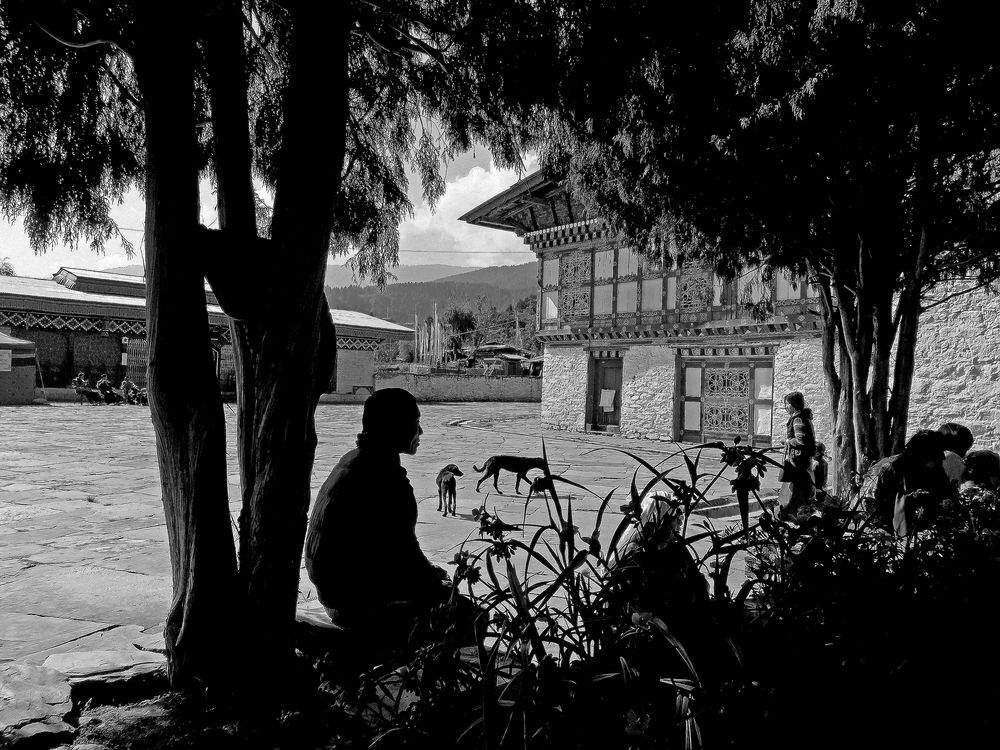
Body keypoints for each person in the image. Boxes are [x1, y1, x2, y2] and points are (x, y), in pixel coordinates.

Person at [305, 388, 481, 660]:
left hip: (336, 590)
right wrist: (439, 587)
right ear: (396, 427)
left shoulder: (355, 461)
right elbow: (404, 556)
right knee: (469, 614)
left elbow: (384, 548)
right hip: (353, 603)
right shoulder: (384, 478)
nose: (420, 432)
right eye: (415, 423)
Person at [859, 429, 956, 535]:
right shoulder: (892, 468)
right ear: (922, 455)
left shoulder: (935, 468)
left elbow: (946, 496)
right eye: (936, 454)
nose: (940, 458)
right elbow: (873, 504)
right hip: (892, 531)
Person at [777, 391, 816, 520]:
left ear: (794, 404)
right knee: (798, 489)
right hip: (802, 461)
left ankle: (795, 514)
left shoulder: (798, 419)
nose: (786, 407)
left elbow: (800, 441)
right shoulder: (803, 417)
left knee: (797, 489)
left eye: (787, 404)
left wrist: (787, 441)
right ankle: (796, 513)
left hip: (798, 461)